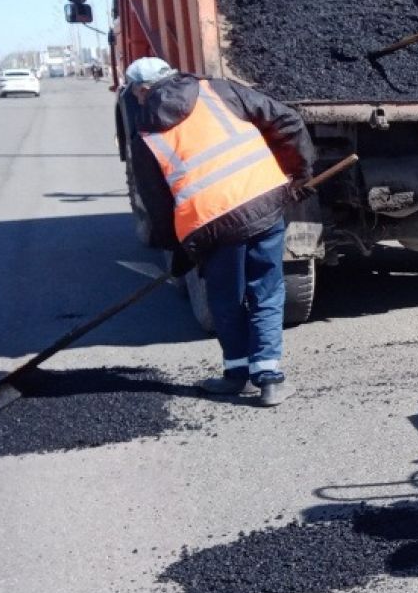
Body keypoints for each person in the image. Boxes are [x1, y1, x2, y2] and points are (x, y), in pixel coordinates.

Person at [122, 57, 315, 406]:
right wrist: (299, 174)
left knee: (226, 299)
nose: (135, 98)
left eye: (135, 92)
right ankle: (269, 379)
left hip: (211, 226)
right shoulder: (217, 90)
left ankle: (237, 375)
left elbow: (158, 205)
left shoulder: (145, 137)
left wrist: (177, 250)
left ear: (144, 90)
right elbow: (288, 120)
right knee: (267, 292)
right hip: (263, 205)